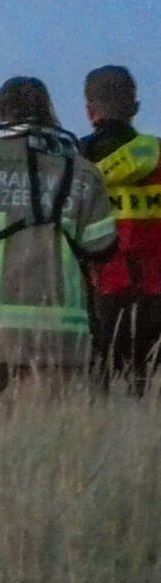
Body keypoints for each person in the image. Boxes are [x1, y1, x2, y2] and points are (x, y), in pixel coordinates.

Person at [0, 77, 116, 417]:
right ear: (48, 111)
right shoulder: (82, 172)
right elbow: (102, 247)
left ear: (0, 113)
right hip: (58, 338)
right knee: (46, 443)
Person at [80, 65, 161, 392]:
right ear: (136, 108)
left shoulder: (77, 160)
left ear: (89, 111)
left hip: (102, 295)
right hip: (157, 295)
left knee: (101, 399)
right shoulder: (158, 155)